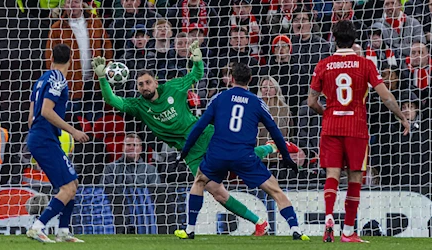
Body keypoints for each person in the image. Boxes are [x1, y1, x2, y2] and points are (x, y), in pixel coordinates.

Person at [91, 41, 280, 237]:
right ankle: (260, 223)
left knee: (239, 161)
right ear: (137, 88)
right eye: (140, 85)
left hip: (205, 135)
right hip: (189, 151)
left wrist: (197, 60)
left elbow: (196, 75)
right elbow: (111, 100)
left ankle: (268, 148)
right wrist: (102, 78)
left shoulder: (174, 87)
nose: (145, 87)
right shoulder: (138, 106)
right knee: (217, 192)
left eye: (148, 82)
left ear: (156, 82)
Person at [174, 62, 309, 240]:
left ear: (231, 79)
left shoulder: (219, 98)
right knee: (276, 191)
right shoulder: (257, 102)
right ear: (250, 80)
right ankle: (296, 230)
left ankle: (190, 229)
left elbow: (199, 126)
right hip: (244, 156)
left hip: (218, 154)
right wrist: (286, 157)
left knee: (199, 181)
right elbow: (275, 131)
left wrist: (184, 152)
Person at [307, 20, 409, 243]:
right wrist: (402, 117)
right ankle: (348, 231)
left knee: (332, 175)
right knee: (355, 177)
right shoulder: (365, 65)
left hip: (331, 126)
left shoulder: (323, 65)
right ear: (354, 40)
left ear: (334, 39)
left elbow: (311, 101)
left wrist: (326, 112)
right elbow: (386, 97)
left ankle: (328, 218)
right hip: (356, 128)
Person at [26, 44, 89, 243]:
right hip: (44, 138)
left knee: (72, 184)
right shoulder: (58, 79)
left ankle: (63, 231)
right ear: (72, 59)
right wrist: (73, 131)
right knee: (67, 188)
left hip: (40, 138)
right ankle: (37, 227)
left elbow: (31, 117)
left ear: (51, 58)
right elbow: (46, 110)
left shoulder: (41, 79)